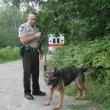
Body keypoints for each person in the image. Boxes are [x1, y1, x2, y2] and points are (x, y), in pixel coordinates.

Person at [18, 11, 46, 100]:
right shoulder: (23, 27)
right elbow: (23, 40)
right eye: (32, 19)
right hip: (27, 53)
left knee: (35, 73)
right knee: (27, 73)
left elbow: (37, 41)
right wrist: (35, 36)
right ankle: (27, 92)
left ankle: (36, 90)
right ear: (27, 18)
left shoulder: (36, 28)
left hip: (35, 52)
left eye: (35, 19)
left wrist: (40, 51)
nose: (33, 21)